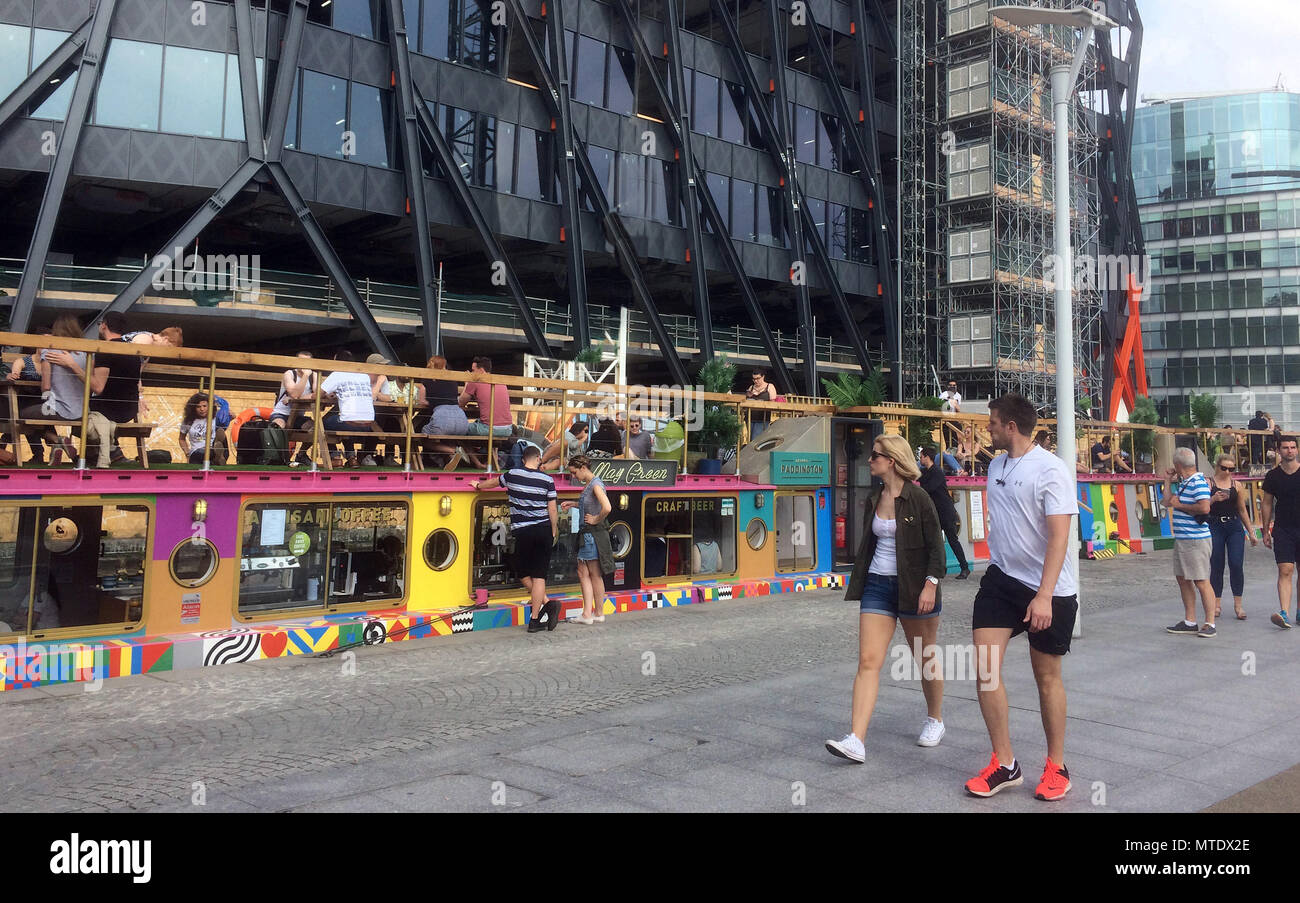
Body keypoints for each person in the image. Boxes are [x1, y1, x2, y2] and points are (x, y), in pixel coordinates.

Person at [965, 393, 1078, 801]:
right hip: (1002, 581)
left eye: (992, 422)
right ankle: (1005, 762)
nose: (988, 428)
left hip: (1048, 589)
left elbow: (1059, 536)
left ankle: (1057, 766)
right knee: (985, 667)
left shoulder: (1051, 469)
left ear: (1011, 426)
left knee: (1046, 677)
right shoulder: (996, 464)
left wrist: (1044, 596)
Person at [827, 433, 947, 764]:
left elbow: (936, 548)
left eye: (875, 456)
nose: (870, 460)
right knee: (868, 661)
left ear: (891, 461)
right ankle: (856, 739)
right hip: (878, 585)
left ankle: (935, 719)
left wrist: (930, 584)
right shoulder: (873, 498)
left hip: (915, 588)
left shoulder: (919, 499)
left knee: (924, 657)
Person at [470, 444, 560, 633]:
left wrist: (477, 485)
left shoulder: (512, 474)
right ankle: (536, 617)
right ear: (538, 458)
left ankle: (548, 605)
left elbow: (494, 482)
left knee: (522, 573)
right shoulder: (547, 480)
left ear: (522, 459)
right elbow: (552, 508)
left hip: (523, 531)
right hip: (543, 530)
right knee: (539, 576)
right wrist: (553, 529)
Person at [1161, 446, 1216, 638]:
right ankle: (1190, 620)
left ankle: (1210, 622)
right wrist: (1167, 481)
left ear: (1177, 465)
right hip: (1183, 538)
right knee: (1183, 579)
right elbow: (1168, 502)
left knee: (1201, 580)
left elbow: (1204, 508)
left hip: (1195, 539)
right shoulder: (1186, 482)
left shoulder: (1197, 483)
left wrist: (1180, 505)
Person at [19, 315, 87, 466]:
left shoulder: (49, 352)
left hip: (57, 409)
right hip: (82, 412)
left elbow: (46, 387)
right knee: (41, 411)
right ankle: (57, 445)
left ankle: (58, 440)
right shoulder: (86, 353)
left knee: (22, 415)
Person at [86, 313, 144, 469]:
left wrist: (73, 366)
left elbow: (98, 388)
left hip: (109, 409)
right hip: (129, 409)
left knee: (79, 409)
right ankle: (99, 452)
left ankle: (100, 452)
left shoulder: (105, 349)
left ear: (104, 325)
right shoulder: (133, 351)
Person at [562, 454, 612, 625]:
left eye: (575, 473)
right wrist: (574, 504)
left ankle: (586, 614)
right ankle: (598, 612)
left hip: (590, 535)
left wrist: (596, 519)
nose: (574, 477)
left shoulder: (594, 485)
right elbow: (593, 504)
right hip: (594, 535)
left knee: (584, 573)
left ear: (583, 468)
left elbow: (607, 507)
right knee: (595, 575)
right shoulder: (594, 483)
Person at [1208, 453, 1256, 622]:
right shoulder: (1209, 483)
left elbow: (1242, 510)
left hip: (1234, 526)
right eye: (1224, 468)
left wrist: (1251, 532)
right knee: (1217, 564)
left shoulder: (1237, 485)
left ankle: (1238, 604)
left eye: (1231, 469)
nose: (1228, 472)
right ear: (1217, 467)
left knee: (1236, 564)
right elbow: (1202, 507)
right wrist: (1213, 498)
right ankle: (1216, 603)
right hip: (1214, 525)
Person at [1262, 435, 1300, 629]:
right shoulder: (1272, 476)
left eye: (1293, 447)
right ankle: (1284, 612)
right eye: (1285, 447)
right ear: (1279, 450)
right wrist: (1265, 530)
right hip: (1283, 528)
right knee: (1285, 569)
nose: (1290, 451)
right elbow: (1267, 503)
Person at [919, 446, 971, 579]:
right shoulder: (926, 471)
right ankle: (938, 567)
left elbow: (928, 488)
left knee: (952, 540)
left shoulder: (937, 471)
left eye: (921, 456)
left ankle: (964, 567)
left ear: (926, 457)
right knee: (933, 541)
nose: (920, 459)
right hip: (936, 511)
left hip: (945, 511)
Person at [320, 350, 378, 467]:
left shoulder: (337, 374)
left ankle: (334, 457)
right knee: (348, 419)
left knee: (322, 423)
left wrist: (327, 394)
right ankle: (352, 458)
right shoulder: (364, 376)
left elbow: (316, 395)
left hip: (349, 421)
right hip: (368, 425)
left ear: (337, 362)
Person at [419, 355, 470, 465]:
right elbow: (458, 399)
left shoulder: (426, 381)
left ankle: (453, 451)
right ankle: (451, 459)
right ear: (444, 365)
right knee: (450, 436)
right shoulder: (452, 381)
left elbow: (422, 402)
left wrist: (432, 402)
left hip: (442, 417)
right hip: (461, 420)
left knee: (421, 437)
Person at [270, 350, 316, 466]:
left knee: (315, 429)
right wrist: (305, 376)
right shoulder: (289, 374)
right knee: (279, 427)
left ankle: (301, 454)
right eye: (300, 361)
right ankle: (280, 459)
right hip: (281, 414)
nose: (303, 364)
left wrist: (297, 398)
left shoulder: (314, 375)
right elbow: (294, 394)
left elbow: (318, 394)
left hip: (298, 417)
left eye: (307, 362)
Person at [178, 393, 228, 464]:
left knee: (221, 436)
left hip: (212, 447)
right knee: (201, 454)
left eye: (204, 406)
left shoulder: (215, 418)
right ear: (193, 408)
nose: (202, 409)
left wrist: (229, 414)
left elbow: (228, 415)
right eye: (198, 407)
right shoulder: (188, 421)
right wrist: (187, 453)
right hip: (197, 452)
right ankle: (216, 460)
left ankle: (218, 454)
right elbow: (181, 439)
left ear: (210, 406)